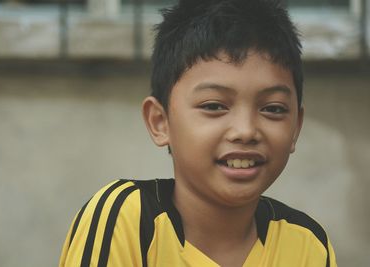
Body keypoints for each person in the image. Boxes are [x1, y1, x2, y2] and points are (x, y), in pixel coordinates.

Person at [59, 0, 337, 266]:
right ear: (160, 122)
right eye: (214, 106)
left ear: (295, 128)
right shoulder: (129, 218)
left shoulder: (306, 244)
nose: (245, 131)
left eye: (273, 109)